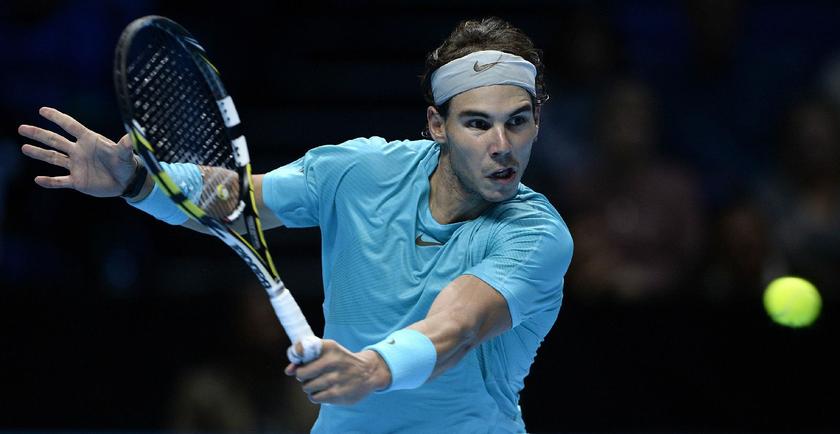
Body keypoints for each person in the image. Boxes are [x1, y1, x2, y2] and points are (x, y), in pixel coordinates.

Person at [19, 17, 573, 433]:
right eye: (478, 124)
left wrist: (372, 368)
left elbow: (458, 327)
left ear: (536, 122)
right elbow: (240, 199)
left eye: (517, 123)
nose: (502, 147)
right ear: (437, 124)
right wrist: (141, 180)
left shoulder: (536, 235)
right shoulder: (359, 171)